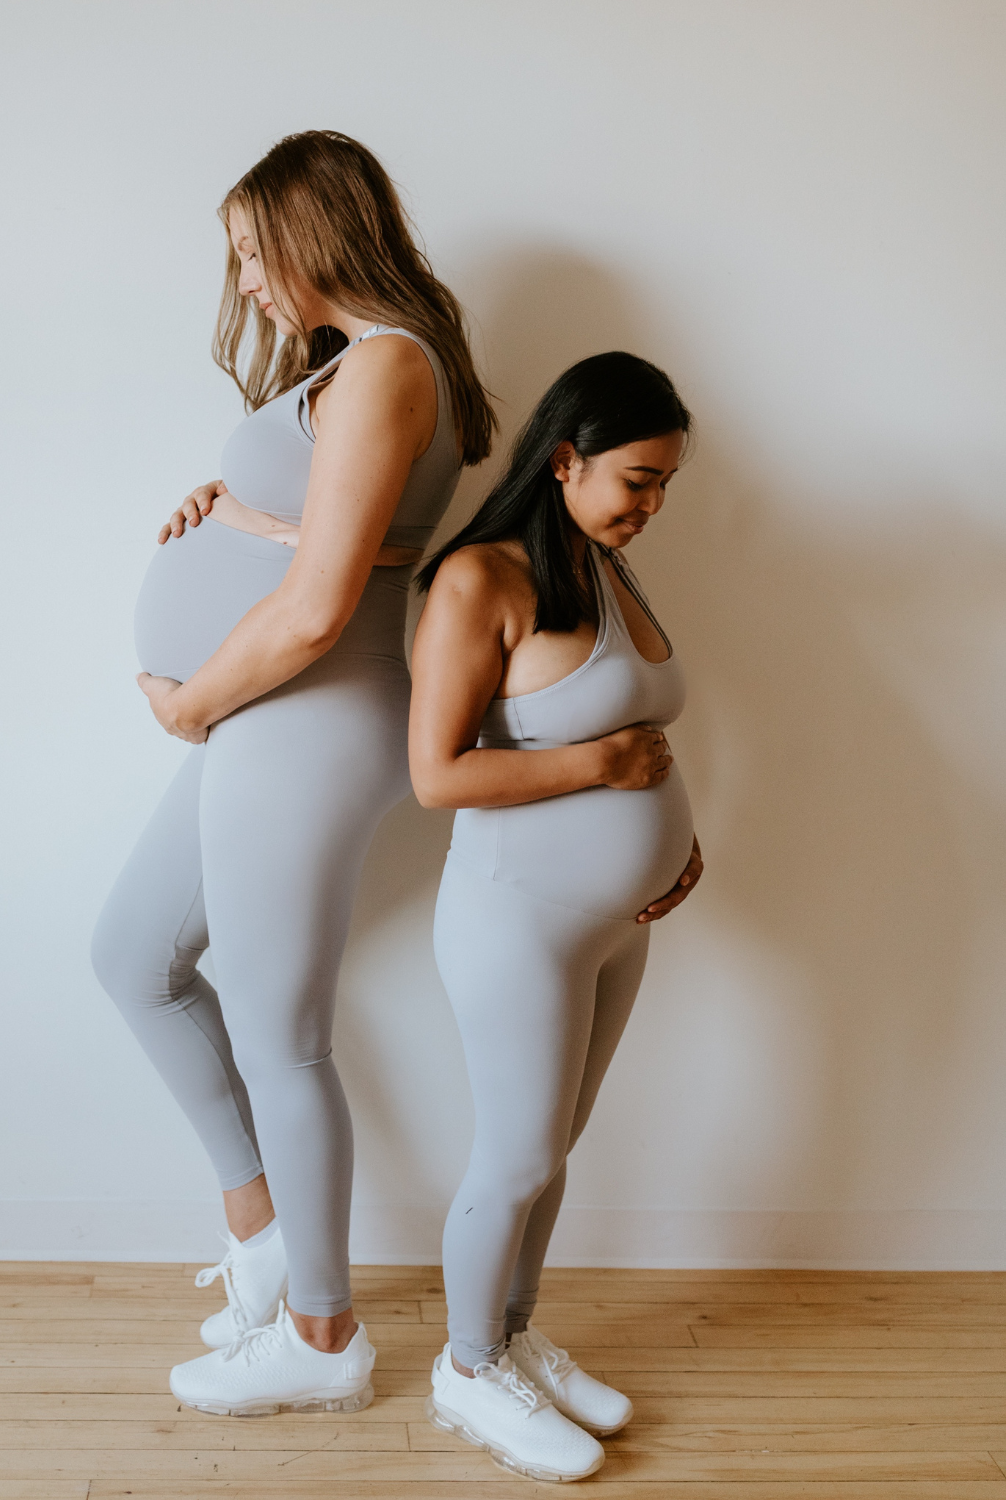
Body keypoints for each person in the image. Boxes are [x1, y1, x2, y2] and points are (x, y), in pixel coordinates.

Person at [90, 130, 495, 1417]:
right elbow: (334, 539)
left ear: (318, 234)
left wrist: (189, 704)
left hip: (303, 714)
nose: (250, 283)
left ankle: (322, 1339)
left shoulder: (386, 367)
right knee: (133, 957)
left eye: (256, 254)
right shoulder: (356, 372)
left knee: (282, 1034)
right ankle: (264, 1241)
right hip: (275, 717)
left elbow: (321, 608)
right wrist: (239, 504)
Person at [408, 352, 704, 1481]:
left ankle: (515, 1334)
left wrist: (674, 846)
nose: (652, 504)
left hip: (615, 922)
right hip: (513, 919)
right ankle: (468, 1367)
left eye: (667, 482)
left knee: (555, 1149)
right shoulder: (480, 581)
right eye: (638, 477)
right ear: (567, 457)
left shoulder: (601, 559)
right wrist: (604, 765)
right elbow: (437, 775)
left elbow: (643, 745)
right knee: (516, 1153)